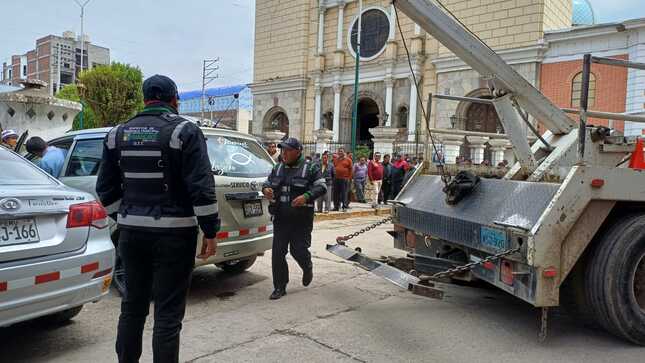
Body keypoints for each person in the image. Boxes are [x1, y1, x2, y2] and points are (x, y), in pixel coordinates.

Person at [96, 75, 220, 363]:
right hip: (175, 237)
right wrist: (210, 231)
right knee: (167, 314)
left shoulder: (117, 134)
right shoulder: (185, 131)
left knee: (133, 307)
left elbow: (105, 188)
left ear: (144, 99)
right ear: (174, 99)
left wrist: (124, 216)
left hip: (131, 235)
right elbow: (201, 188)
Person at [262, 137, 326, 300]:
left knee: (298, 250)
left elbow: (321, 186)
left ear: (298, 151)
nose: (284, 153)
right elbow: (266, 184)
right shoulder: (277, 168)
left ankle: (307, 266)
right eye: (283, 150)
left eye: (288, 150)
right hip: (281, 218)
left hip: (301, 220)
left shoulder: (311, 167)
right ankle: (279, 287)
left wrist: (306, 196)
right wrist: (267, 190)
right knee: (277, 253)